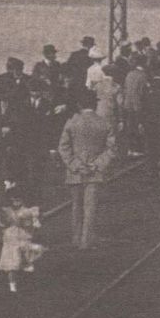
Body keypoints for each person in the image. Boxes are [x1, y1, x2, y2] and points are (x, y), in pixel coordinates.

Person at [58, 94, 116, 249]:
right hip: (94, 172)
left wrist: (75, 164)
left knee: (76, 205)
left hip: (75, 172)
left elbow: (63, 147)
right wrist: (96, 165)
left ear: (79, 105)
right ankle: (87, 240)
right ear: (95, 105)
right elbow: (111, 149)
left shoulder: (71, 122)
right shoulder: (104, 123)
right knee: (90, 206)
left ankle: (76, 238)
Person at [0, 186, 45, 293]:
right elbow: (2, 223)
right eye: (13, 199)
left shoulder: (28, 211)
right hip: (10, 240)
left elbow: (35, 224)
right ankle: (12, 287)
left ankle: (27, 278)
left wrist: (31, 222)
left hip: (24, 238)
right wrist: (7, 220)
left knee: (26, 258)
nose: (16, 201)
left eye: (19, 199)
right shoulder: (5, 211)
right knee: (12, 265)